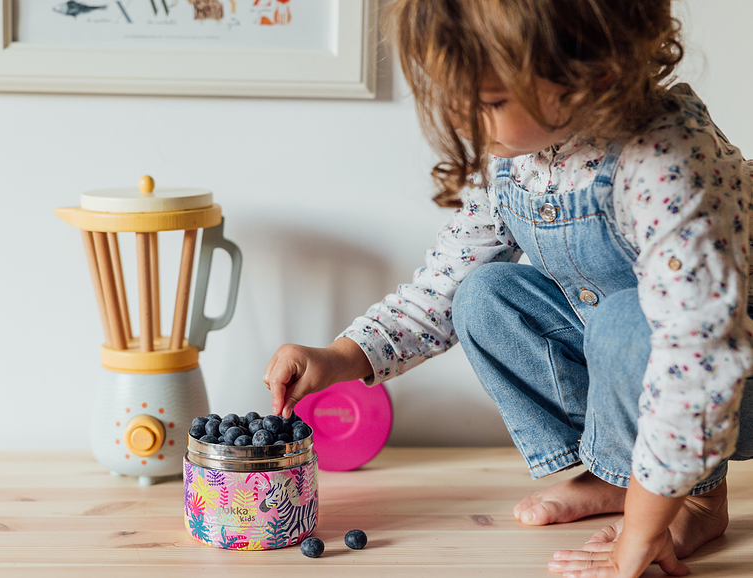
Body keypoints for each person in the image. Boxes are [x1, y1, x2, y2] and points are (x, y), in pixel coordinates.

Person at [263, 1, 753, 576]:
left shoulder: (669, 162)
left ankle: (697, 499)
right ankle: (617, 473)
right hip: (634, 363)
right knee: (483, 296)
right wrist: (340, 357)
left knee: (625, 322)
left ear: (593, 76)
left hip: (724, 383)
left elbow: (698, 359)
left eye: (490, 103)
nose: (465, 122)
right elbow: (442, 288)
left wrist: (642, 534)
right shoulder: (518, 159)